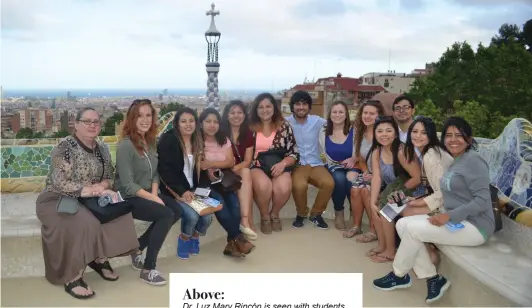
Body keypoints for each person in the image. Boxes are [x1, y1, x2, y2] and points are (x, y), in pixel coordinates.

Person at [373, 116, 495, 304]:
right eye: (449, 135)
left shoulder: (473, 161)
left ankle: (399, 274)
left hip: (475, 226)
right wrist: (418, 200)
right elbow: (446, 192)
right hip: (456, 218)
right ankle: (433, 277)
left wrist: (446, 215)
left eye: (459, 135)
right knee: (403, 224)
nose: (453, 140)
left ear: (469, 139)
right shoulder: (457, 160)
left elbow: (482, 201)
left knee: (406, 222)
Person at [35, 107, 138, 299]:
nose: (92, 125)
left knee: (119, 213)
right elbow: (59, 181)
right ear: (76, 124)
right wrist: (90, 190)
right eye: (87, 121)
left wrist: (103, 185)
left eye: (96, 122)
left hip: (88, 198)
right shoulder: (64, 147)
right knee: (86, 222)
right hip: (56, 198)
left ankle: (99, 259)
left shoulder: (102, 148)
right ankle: (72, 276)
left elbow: (109, 175)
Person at [114, 99, 182, 285]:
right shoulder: (126, 146)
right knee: (166, 214)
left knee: (177, 210)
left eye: (148, 115)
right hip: (128, 197)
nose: (145, 120)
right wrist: (153, 198)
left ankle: (137, 247)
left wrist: (154, 195)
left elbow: (155, 173)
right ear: (131, 119)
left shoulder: (150, 141)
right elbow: (127, 185)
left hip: (146, 193)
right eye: (139, 116)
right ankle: (148, 268)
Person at [157, 108, 213, 260]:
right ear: (177, 124)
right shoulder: (169, 140)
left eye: (191, 121)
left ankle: (195, 235)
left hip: (194, 190)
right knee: (192, 216)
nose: (188, 125)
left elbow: (201, 170)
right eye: (183, 121)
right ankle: (185, 238)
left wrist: (202, 191)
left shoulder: (198, 140)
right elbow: (165, 171)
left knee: (207, 217)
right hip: (175, 191)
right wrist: (181, 192)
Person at [199, 108, 256, 257]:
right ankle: (240, 240)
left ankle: (232, 245)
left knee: (236, 208)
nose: (212, 125)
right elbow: (199, 166)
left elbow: (230, 161)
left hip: (223, 181)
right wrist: (219, 163)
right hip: (204, 185)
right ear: (201, 123)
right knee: (221, 209)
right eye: (208, 121)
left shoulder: (223, 139)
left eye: (215, 122)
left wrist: (211, 163)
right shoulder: (197, 141)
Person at [365, 116, 422, 263]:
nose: (384, 134)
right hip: (393, 188)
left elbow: (417, 178)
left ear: (395, 134)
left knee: (386, 210)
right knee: (376, 205)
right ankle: (382, 245)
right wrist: (372, 203)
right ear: (375, 134)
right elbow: (376, 178)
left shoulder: (401, 151)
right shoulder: (377, 152)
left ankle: (391, 251)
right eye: (380, 131)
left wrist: (399, 193)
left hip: (413, 190)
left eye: (388, 131)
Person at [402, 116, 454, 265]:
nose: (418, 136)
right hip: (443, 199)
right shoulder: (432, 151)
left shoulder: (432, 156)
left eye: (423, 133)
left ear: (430, 135)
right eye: (415, 131)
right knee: (406, 209)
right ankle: (427, 249)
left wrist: (420, 203)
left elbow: (444, 192)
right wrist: (419, 200)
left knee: (407, 212)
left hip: (450, 205)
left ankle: (430, 253)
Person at [249, 92, 299, 234]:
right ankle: (265, 215)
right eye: (261, 107)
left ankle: (274, 213)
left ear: (274, 108)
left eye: (268, 106)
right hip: (256, 165)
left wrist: (283, 164)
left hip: (279, 164)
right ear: (256, 110)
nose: (265, 110)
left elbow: (294, 153)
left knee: (284, 187)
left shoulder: (284, 126)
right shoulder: (249, 127)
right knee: (264, 186)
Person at [286, 90, 334, 229]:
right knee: (299, 186)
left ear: (309, 107)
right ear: (292, 106)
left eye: (304, 104)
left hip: (316, 163)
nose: (301, 107)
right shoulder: (286, 123)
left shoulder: (318, 121)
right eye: (297, 104)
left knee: (329, 183)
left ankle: (316, 214)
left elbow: (335, 124)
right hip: (298, 164)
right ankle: (301, 213)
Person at [346, 100, 385, 241]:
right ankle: (357, 226)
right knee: (355, 188)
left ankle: (374, 230)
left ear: (378, 115)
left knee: (366, 190)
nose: (367, 116)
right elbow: (360, 158)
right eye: (365, 113)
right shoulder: (358, 131)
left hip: (383, 175)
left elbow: (388, 160)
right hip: (368, 171)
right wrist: (366, 172)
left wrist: (374, 175)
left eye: (372, 113)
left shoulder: (382, 132)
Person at [221, 100, 258, 240]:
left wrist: (234, 168)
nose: (236, 116)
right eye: (232, 112)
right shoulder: (221, 132)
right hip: (222, 169)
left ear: (244, 115)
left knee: (246, 172)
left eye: (240, 112)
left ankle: (245, 220)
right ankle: (247, 221)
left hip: (238, 169)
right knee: (246, 178)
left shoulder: (247, 134)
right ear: (227, 115)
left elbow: (247, 161)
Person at [320, 101, 357, 230]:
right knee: (339, 179)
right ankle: (339, 212)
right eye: (334, 112)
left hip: (353, 164)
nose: (337, 115)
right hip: (333, 165)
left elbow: (362, 149)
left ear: (346, 114)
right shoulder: (324, 131)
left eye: (341, 112)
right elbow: (321, 151)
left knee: (351, 180)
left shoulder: (355, 130)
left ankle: (354, 212)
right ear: (330, 114)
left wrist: (354, 158)